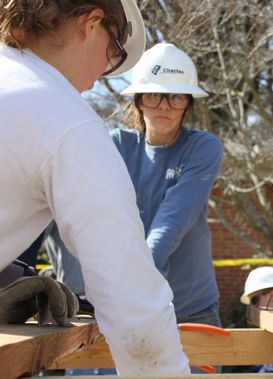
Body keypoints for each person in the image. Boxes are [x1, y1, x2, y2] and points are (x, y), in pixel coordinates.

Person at [0, 1, 189, 375]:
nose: (104, 73)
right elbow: (133, 306)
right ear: (91, 23)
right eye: (114, 52)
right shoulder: (61, 115)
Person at [46, 42, 224, 327]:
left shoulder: (202, 148)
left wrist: (135, 286)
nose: (165, 105)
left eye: (176, 97)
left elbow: (173, 218)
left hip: (189, 308)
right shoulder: (115, 145)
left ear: (188, 103)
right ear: (139, 100)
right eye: (154, 95)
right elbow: (82, 211)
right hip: (122, 305)